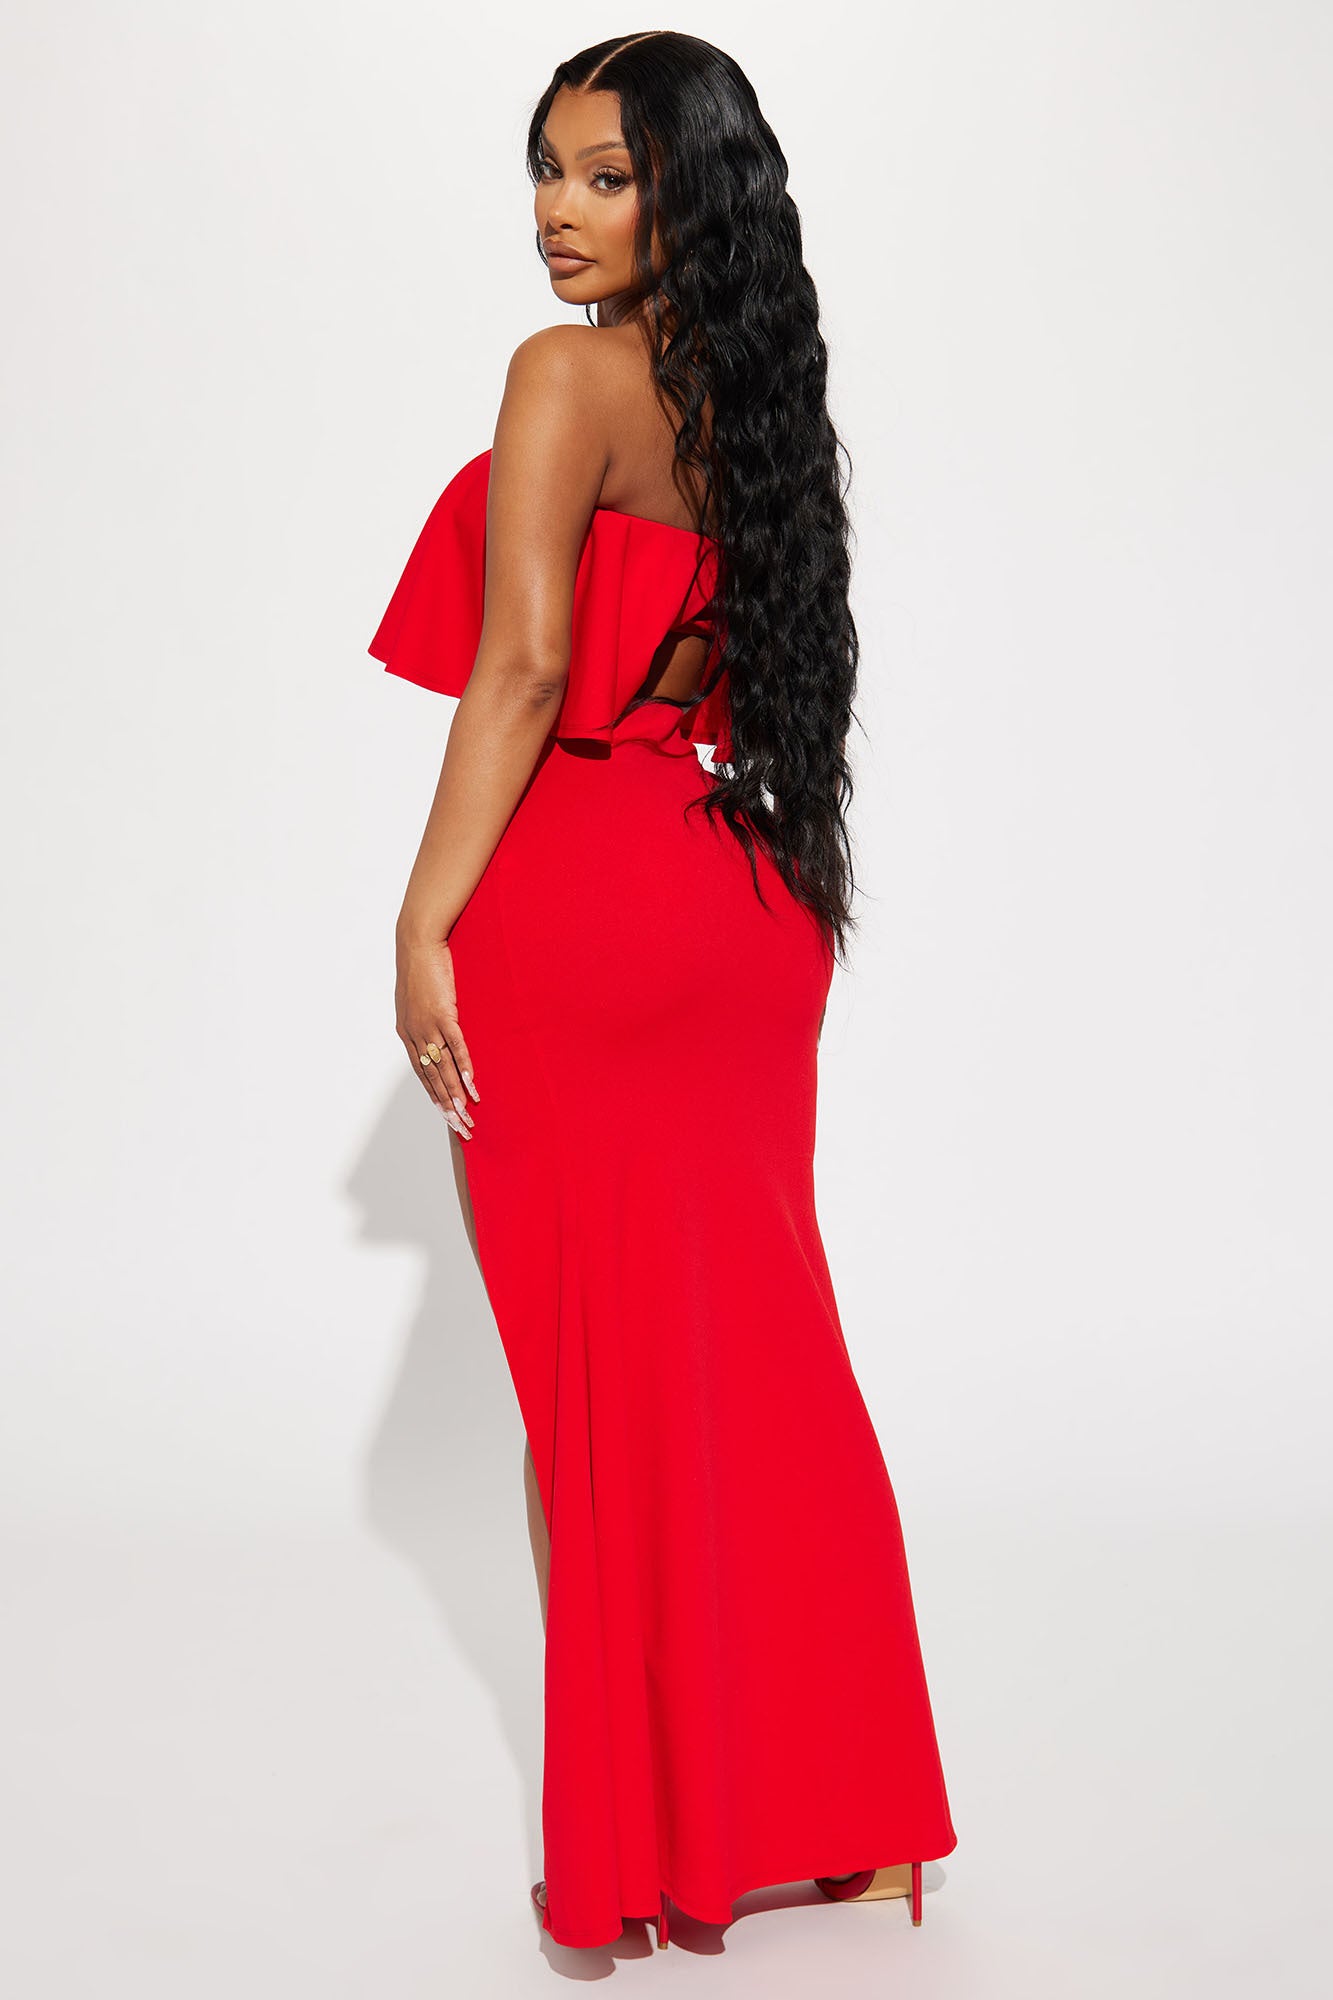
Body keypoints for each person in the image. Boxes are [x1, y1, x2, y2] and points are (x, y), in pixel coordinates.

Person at [369, 30, 958, 1954]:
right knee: (762, 1363)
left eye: (604, 176)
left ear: (686, 193)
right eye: (545, 170)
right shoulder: (753, 398)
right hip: (740, 902)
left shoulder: (565, 377)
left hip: (588, 909)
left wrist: (420, 918)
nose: (558, 210)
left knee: (596, 1404)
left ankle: (634, 1849)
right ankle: (852, 1811)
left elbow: (527, 669)